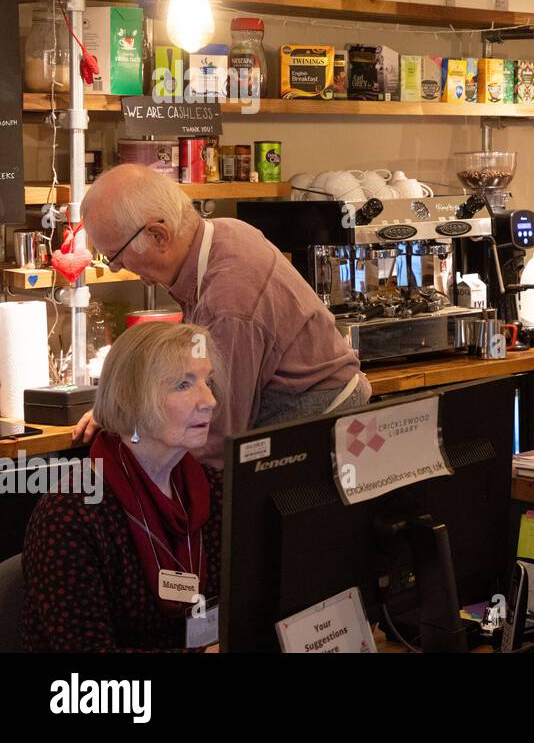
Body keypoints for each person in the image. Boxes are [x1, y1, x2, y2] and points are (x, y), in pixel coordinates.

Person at [76, 164, 370, 466]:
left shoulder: (227, 305)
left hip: (311, 426)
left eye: (116, 257)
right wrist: (127, 410)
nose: (118, 267)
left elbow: (212, 434)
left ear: (158, 236)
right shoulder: (224, 231)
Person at [24, 323, 223, 651]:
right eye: (183, 384)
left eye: (208, 381)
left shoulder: (209, 490)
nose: (209, 400)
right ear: (126, 398)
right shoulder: (71, 514)